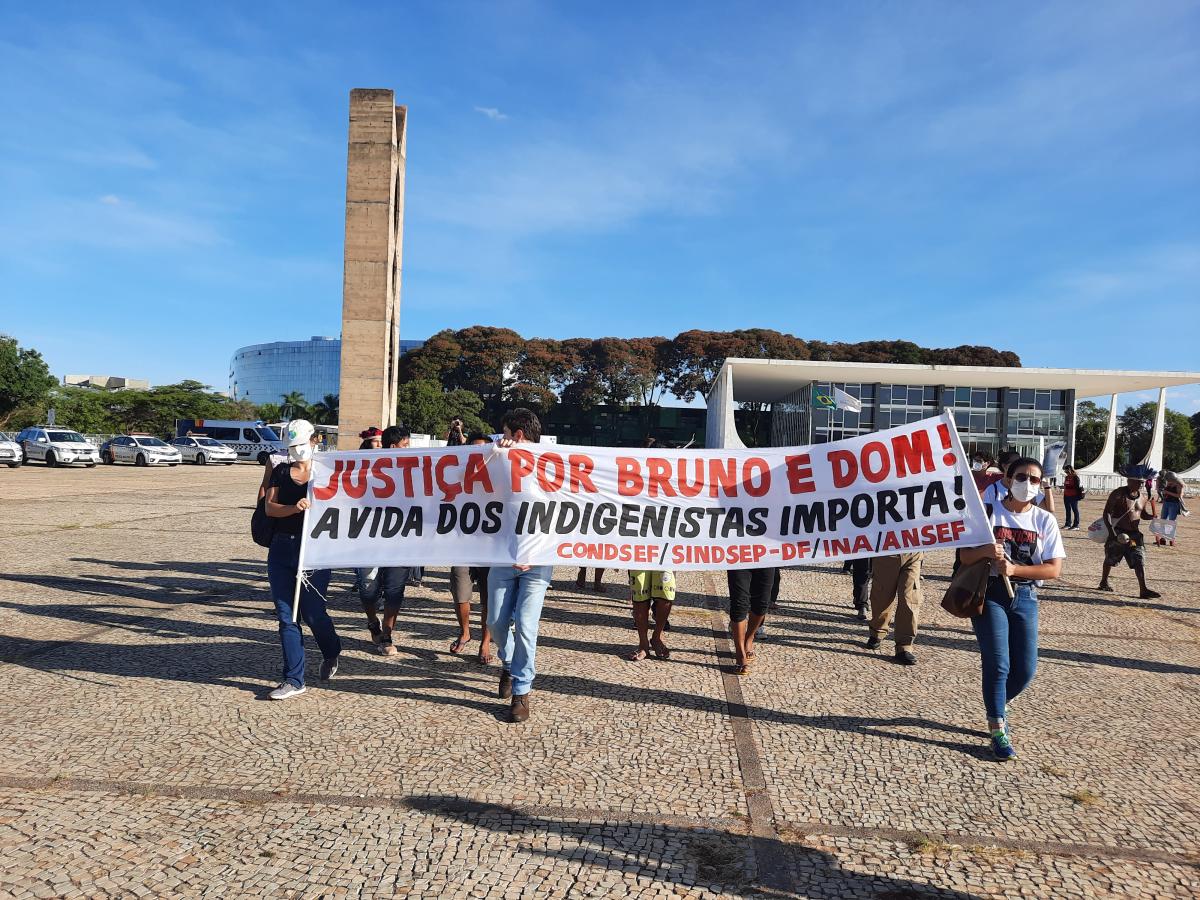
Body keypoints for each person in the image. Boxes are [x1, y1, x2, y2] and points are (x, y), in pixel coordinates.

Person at [959, 456, 1065, 760]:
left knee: (1026, 669)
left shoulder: (1044, 520)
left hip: (1026, 596)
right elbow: (965, 557)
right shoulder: (988, 513)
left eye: (1034, 479)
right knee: (998, 663)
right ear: (1007, 479)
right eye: (1021, 477)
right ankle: (997, 729)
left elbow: (1053, 569)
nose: (1027, 484)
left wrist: (1016, 570)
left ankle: (997, 704)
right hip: (989, 594)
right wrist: (984, 550)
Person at [262, 420, 341, 700]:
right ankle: (294, 679)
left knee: (313, 613)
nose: (296, 452)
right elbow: (270, 507)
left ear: (314, 440)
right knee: (287, 616)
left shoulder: (328, 471)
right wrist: (293, 508)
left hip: (316, 552)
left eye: (300, 445)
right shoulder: (281, 471)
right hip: (282, 549)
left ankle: (332, 650)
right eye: (291, 447)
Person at [488, 408, 554, 723]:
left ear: (517, 434)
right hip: (502, 556)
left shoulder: (554, 464)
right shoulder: (496, 455)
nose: (499, 437)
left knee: (527, 627)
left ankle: (522, 691)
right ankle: (509, 663)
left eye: (504, 431)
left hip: (538, 562)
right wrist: (494, 456)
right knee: (496, 624)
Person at [357, 425, 416, 654]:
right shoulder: (366, 469)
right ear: (393, 447)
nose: (408, 449)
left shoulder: (415, 471)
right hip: (369, 540)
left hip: (400, 540)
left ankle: (388, 634)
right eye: (405, 446)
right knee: (368, 589)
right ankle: (373, 622)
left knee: (395, 589)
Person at [449, 432, 495, 663]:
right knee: (459, 590)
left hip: (490, 547)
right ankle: (465, 631)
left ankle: (485, 642)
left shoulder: (500, 477)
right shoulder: (456, 473)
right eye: (474, 449)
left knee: (489, 598)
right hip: (463, 544)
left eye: (483, 450)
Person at [1099, 466, 1161, 598]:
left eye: (1141, 482)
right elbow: (1107, 513)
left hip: (1134, 536)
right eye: (1137, 481)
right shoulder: (1118, 494)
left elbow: (1142, 514)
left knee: (1139, 559)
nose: (1140, 484)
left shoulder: (1143, 498)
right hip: (1118, 534)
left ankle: (1143, 589)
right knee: (1110, 559)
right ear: (1129, 481)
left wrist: (1152, 517)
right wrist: (1111, 533)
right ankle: (1103, 581)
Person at [864, 553, 922, 665]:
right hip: (887, 552)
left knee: (909, 599)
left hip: (913, 552)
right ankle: (877, 631)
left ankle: (904, 646)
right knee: (881, 598)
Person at [727, 567, 778, 676]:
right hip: (738, 555)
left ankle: (749, 638)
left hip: (766, 556)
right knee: (739, 603)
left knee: (762, 604)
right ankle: (740, 653)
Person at [626, 570, 676, 660]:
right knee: (639, 593)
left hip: (665, 557)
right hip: (639, 558)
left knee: (666, 593)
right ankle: (643, 643)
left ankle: (657, 637)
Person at [1061, 464, 1082, 531]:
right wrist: (1063, 487)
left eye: (1067, 471)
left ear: (1070, 470)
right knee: (1067, 510)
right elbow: (1066, 485)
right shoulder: (1066, 477)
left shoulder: (1075, 477)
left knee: (1075, 510)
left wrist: (1067, 487)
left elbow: (1076, 487)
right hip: (1066, 495)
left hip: (1073, 496)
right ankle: (1068, 524)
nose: (1066, 473)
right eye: (1065, 472)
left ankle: (1076, 525)